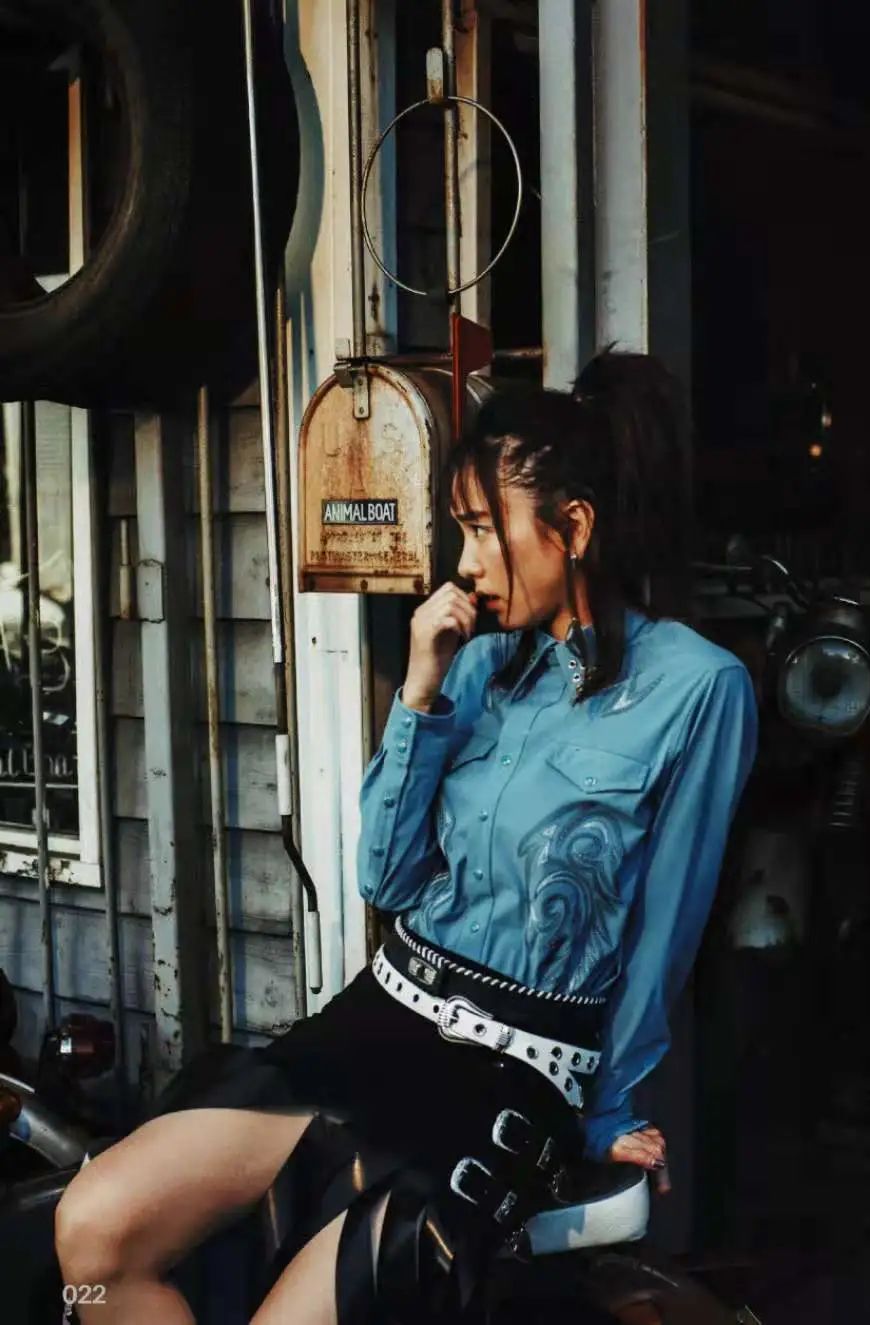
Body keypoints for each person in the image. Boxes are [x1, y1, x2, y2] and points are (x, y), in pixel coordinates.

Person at [52, 349, 758, 1324]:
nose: (465, 561)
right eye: (461, 529)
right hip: (380, 1016)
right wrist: (420, 689)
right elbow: (385, 875)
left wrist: (610, 1111)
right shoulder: (478, 661)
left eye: (483, 528)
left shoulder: (699, 689)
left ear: (574, 528)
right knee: (95, 1231)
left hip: (514, 1071)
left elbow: (663, 937)